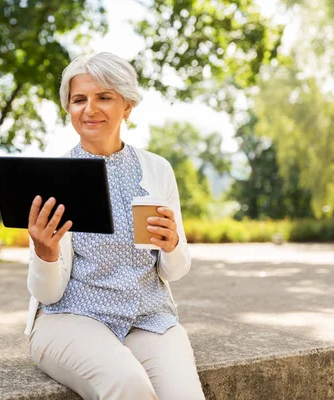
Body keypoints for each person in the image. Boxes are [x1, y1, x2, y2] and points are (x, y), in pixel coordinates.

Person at [24, 52, 205, 400]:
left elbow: (176, 271)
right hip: (70, 318)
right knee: (127, 385)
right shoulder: (54, 178)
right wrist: (44, 253)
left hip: (149, 318)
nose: (90, 108)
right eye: (79, 99)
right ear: (69, 108)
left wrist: (172, 244)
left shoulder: (157, 170)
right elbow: (48, 294)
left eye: (104, 97)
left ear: (128, 106)